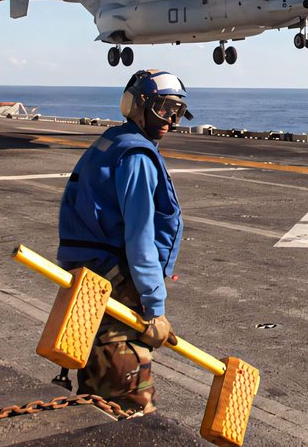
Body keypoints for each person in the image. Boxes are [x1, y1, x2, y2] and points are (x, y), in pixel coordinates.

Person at [57, 68, 193, 414]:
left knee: (95, 384)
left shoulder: (111, 142)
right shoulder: (136, 156)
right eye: (162, 108)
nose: (170, 120)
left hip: (87, 276)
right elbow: (139, 238)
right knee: (131, 401)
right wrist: (155, 307)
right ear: (137, 106)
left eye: (176, 111)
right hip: (115, 280)